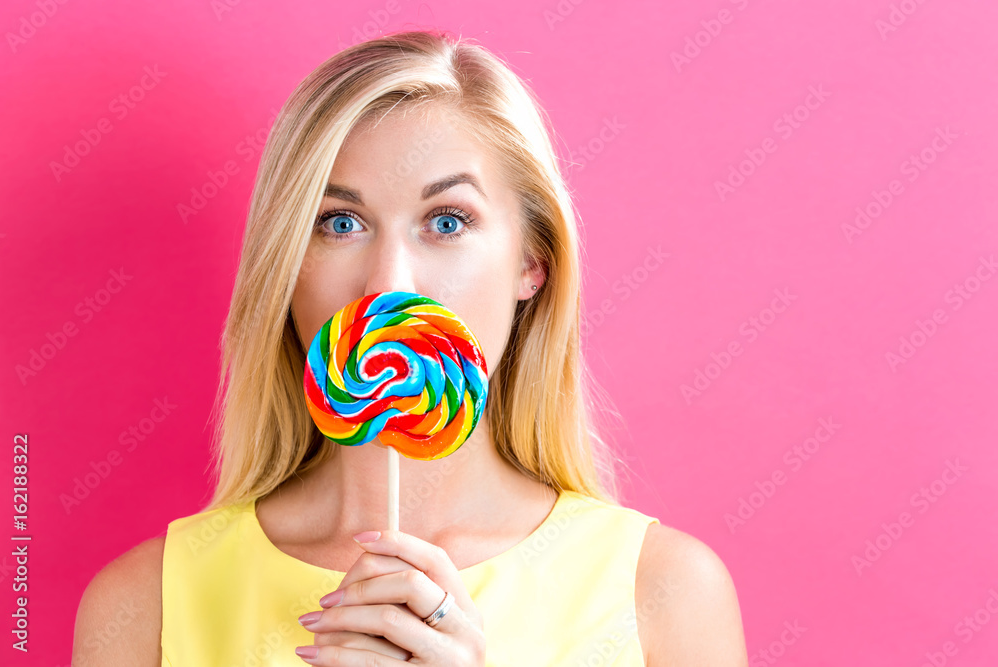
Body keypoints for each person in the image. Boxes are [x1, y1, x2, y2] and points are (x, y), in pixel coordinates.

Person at [73, 29, 749, 666]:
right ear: (285, 263)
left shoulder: (663, 594)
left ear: (530, 263)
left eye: (447, 221)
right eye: (340, 222)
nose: (388, 279)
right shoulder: (143, 607)